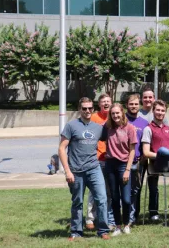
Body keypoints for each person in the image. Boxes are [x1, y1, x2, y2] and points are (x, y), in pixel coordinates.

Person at [58, 97, 110, 241]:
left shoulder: (98, 128)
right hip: (76, 171)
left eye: (90, 108)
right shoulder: (71, 126)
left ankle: (103, 230)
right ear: (79, 110)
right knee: (78, 202)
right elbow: (62, 149)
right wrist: (67, 171)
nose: (87, 111)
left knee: (102, 198)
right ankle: (76, 232)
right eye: (84, 108)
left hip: (94, 168)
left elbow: (112, 136)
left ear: (93, 109)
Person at [105, 103, 137, 236]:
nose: (115, 116)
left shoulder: (130, 128)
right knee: (114, 197)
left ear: (122, 113)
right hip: (110, 165)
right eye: (113, 114)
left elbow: (132, 150)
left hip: (124, 165)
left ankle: (126, 224)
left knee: (126, 199)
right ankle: (118, 226)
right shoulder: (107, 127)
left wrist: (127, 170)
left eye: (117, 113)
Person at [137, 86, 168, 221]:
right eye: (145, 97)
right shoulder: (137, 114)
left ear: (154, 98)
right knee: (136, 187)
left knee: (154, 187)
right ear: (141, 99)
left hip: (153, 158)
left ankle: (153, 212)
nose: (148, 99)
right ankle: (135, 214)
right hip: (138, 157)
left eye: (150, 97)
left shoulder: (160, 114)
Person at [86, 93, 115, 230]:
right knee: (94, 190)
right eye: (103, 101)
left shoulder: (114, 117)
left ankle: (105, 219)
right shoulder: (93, 118)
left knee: (108, 192)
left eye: (108, 101)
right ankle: (90, 219)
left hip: (110, 159)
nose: (106, 104)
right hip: (96, 159)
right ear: (99, 104)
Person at [125, 94, 149, 226]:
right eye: (131, 104)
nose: (133, 106)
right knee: (124, 190)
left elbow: (146, 142)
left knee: (136, 190)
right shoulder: (122, 119)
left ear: (139, 105)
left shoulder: (144, 123)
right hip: (123, 161)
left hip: (138, 162)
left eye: (136, 104)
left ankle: (133, 217)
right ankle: (124, 216)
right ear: (127, 105)